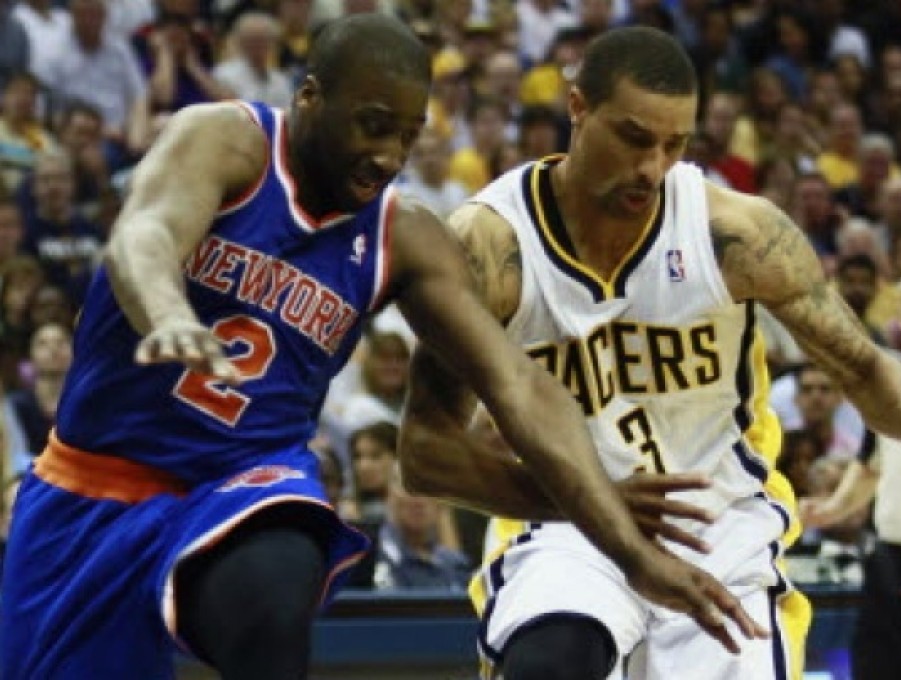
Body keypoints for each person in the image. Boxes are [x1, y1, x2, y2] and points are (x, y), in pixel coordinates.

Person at [0, 15, 762, 680]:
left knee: (277, 580)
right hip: (90, 485)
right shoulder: (226, 138)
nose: (390, 154)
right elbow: (145, 232)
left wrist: (623, 544)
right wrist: (165, 309)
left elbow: (520, 386)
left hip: (238, 480)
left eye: (408, 133)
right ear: (308, 97)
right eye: (372, 124)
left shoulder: (405, 237)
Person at [399, 27, 901, 680]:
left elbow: (862, 363)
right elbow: (426, 453)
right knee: (552, 661)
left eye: (675, 145)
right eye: (635, 138)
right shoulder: (490, 246)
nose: (652, 167)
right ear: (577, 108)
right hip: (564, 525)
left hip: (720, 531)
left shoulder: (736, 233)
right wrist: (592, 501)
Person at [800, 263, 901, 680]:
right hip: (887, 563)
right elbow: (870, 467)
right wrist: (829, 510)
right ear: (900, 317)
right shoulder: (890, 384)